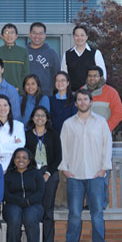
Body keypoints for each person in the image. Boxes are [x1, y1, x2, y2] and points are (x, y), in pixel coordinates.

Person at [59, 89, 112, 242]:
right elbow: (63, 148)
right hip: (74, 174)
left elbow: (107, 147)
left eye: (85, 99)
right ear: (75, 103)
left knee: (97, 212)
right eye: (79, 100)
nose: (82, 102)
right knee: (74, 212)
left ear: (91, 102)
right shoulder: (68, 124)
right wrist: (65, 169)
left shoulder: (101, 123)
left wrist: (103, 169)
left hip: (96, 174)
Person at [25, 106, 62, 242]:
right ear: (32, 118)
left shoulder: (53, 134)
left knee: (47, 209)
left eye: (43, 116)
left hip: (50, 174)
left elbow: (58, 157)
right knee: (33, 208)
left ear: (47, 118)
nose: (40, 118)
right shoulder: (27, 135)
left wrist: (47, 173)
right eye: (37, 115)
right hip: (33, 174)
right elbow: (24, 156)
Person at [3, 148, 45, 242]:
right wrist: (19, 201)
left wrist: (27, 202)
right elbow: (5, 194)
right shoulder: (8, 175)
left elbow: (41, 192)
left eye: (24, 157)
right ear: (14, 160)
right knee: (14, 218)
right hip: (12, 204)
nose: (20, 160)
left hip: (33, 204)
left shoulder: (36, 174)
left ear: (29, 160)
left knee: (30, 217)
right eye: (17, 157)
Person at [49, 71, 77, 208]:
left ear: (67, 83)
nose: (60, 83)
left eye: (62, 80)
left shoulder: (73, 100)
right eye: (57, 81)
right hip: (55, 140)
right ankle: (57, 201)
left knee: (68, 171)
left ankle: (67, 202)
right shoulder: (50, 100)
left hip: (70, 141)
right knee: (57, 171)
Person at [61, 25, 107, 91]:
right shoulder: (67, 54)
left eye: (82, 35)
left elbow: (103, 76)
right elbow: (63, 76)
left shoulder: (95, 53)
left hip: (91, 94)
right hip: (73, 93)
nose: (79, 38)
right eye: (77, 35)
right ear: (73, 37)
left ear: (86, 37)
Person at [83, 65, 122, 132]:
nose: (92, 78)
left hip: (103, 136)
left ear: (101, 77)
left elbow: (119, 114)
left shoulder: (111, 92)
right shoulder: (81, 92)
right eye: (89, 76)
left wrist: (105, 129)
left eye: (95, 76)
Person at [0, 23, 30, 92]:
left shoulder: (23, 52)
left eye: (12, 32)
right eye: (6, 32)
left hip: (18, 92)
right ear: (2, 36)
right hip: (0, 91)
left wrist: (18, 87)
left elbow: (26, 73)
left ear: (16, 36)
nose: (9, 35)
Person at [26, 22, 61, 95]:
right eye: (34, 33)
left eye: (40, 33)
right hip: (25, 97)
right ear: (29, 34)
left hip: (45, 96)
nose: (37, 36)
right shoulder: (23, 52)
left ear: (45, 35)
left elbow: (56, 75)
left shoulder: (52, 54)